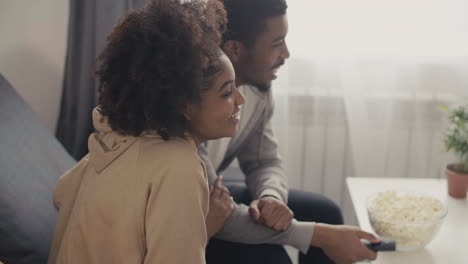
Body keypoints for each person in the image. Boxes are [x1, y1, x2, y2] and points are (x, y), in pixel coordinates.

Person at [47, 0, 243, 263]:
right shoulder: (180, 165)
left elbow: (61, 193)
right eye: (227, 92)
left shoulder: (116, 139)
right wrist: (207, 226)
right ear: (184, 103)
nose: (240, 100)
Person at [200, 0, 380, 263]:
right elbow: (208, 213)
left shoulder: (257, 88)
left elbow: (264, 161)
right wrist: (320, 236)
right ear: (235, 49)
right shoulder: (194, 107)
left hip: (213, 200)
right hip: (196, 218)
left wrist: (270, 198)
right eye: (277, 43)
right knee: (276, 257)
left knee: (326, 212)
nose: (286, 54)